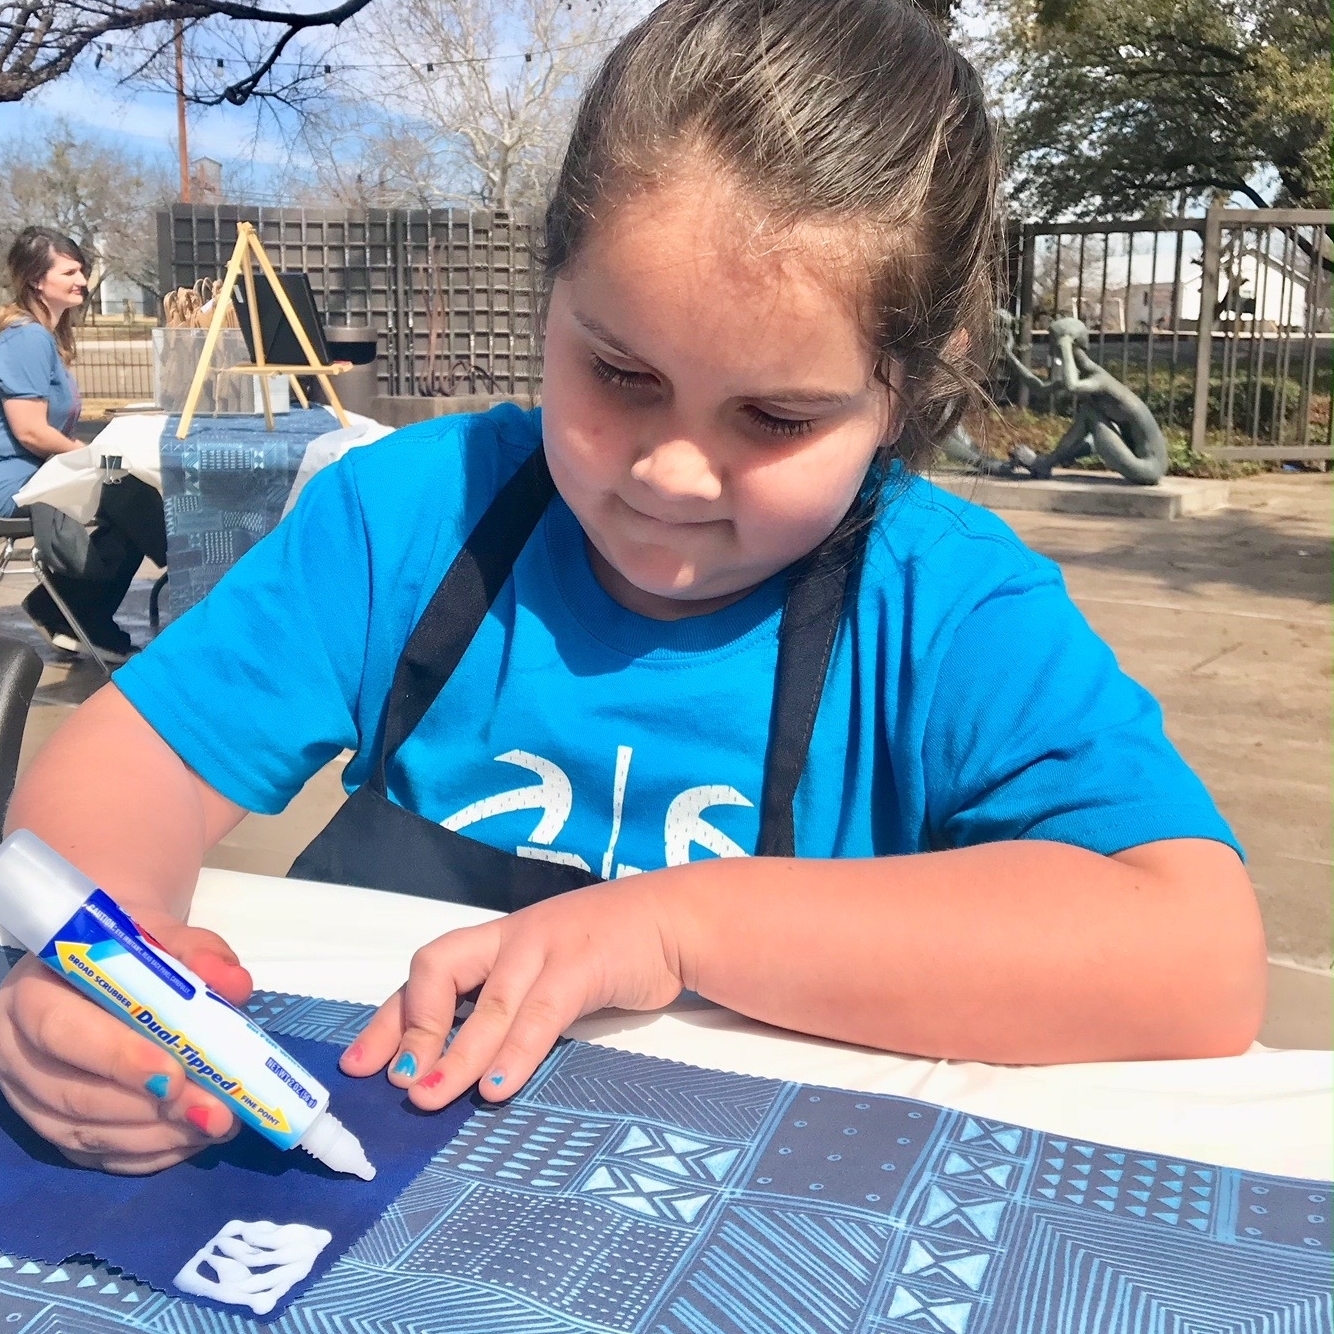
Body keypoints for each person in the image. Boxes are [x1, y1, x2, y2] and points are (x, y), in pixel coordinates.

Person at [0, 0, 1264, 1176]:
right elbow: (117, 774)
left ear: (902, 397)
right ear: (553, 293)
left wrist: (676, 927)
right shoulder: (413, 516)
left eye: (773, 416)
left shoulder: (946, 609)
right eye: (618, 374)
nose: (668, 470)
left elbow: (1193, 957)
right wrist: (94, 971)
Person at [0, 226, 167, 663]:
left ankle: (68, 610)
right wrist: (92, 458)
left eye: (83, 271)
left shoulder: (46, 336)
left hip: (41, 474)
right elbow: (31, 432)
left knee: (131, 491)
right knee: (133, 494)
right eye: (70, 271)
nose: (83, 281)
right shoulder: (26, 336)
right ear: (37, 279)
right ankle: (202, 590)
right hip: (15, 483)